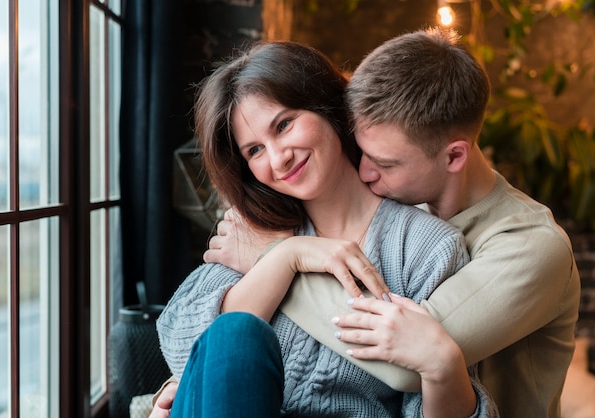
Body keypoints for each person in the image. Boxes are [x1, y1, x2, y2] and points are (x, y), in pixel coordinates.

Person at [203, 27, 581, 418]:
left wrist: (274, 258)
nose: (363, 172)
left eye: (384, 163)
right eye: (361, 151)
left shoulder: (531, 247)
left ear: (453, 157)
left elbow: (405, 362)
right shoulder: (410, 206)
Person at [153, 40, 498, 417]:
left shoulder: (426, 248)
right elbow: (185, 351)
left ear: (329, 109)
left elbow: (429, 391)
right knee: (236, 334)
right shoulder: (255, 227)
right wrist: (286, 255)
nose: (278, 158)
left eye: (284, 125)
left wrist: (442, 364)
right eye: (254, 150)